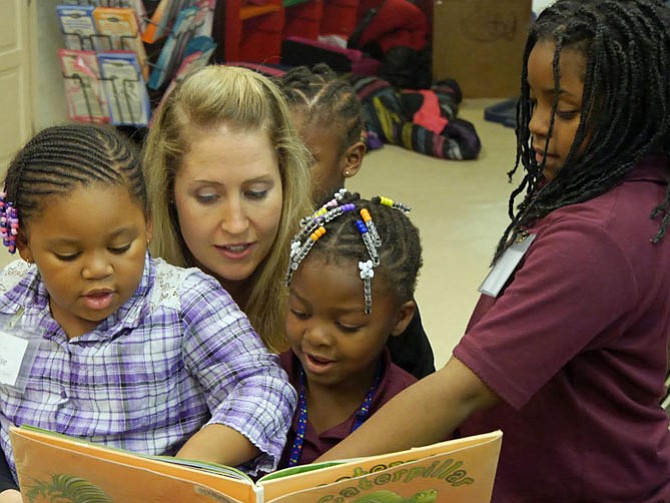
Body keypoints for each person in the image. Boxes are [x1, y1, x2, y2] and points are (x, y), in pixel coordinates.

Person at [317, 1, 670, 500]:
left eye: (564, 108)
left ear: (631, 107)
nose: (537, 125)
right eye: (535, 101)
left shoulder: (596, 240)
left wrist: (304, 488)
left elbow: (460, 391)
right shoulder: (612, 193)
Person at [0, 124, 296, 502]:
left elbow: (265, 387)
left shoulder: (183, 302)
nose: (98, 270)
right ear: (25, 244)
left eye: (121, 246)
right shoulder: (10, 298)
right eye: (69, 255)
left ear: (148, 225)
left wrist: (189, 465)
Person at [275, 63, 436, 379]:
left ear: (351, 159)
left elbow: (419, 378)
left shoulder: (364, 254)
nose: (284, 175)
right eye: (276, 155)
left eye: (304, 161)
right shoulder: (247, 239)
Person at [142, 64, 313, 353]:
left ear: (286, 182)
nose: (236, 225)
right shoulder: (124, 292)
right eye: (208, 197)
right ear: (168, 190)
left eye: (256, 193)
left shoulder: (343, 278)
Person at [278, 190, 422, 467]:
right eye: (300, 311)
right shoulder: (264, 384)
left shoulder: (414, 411)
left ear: (400, 318)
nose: (316, 336)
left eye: (347, 325)